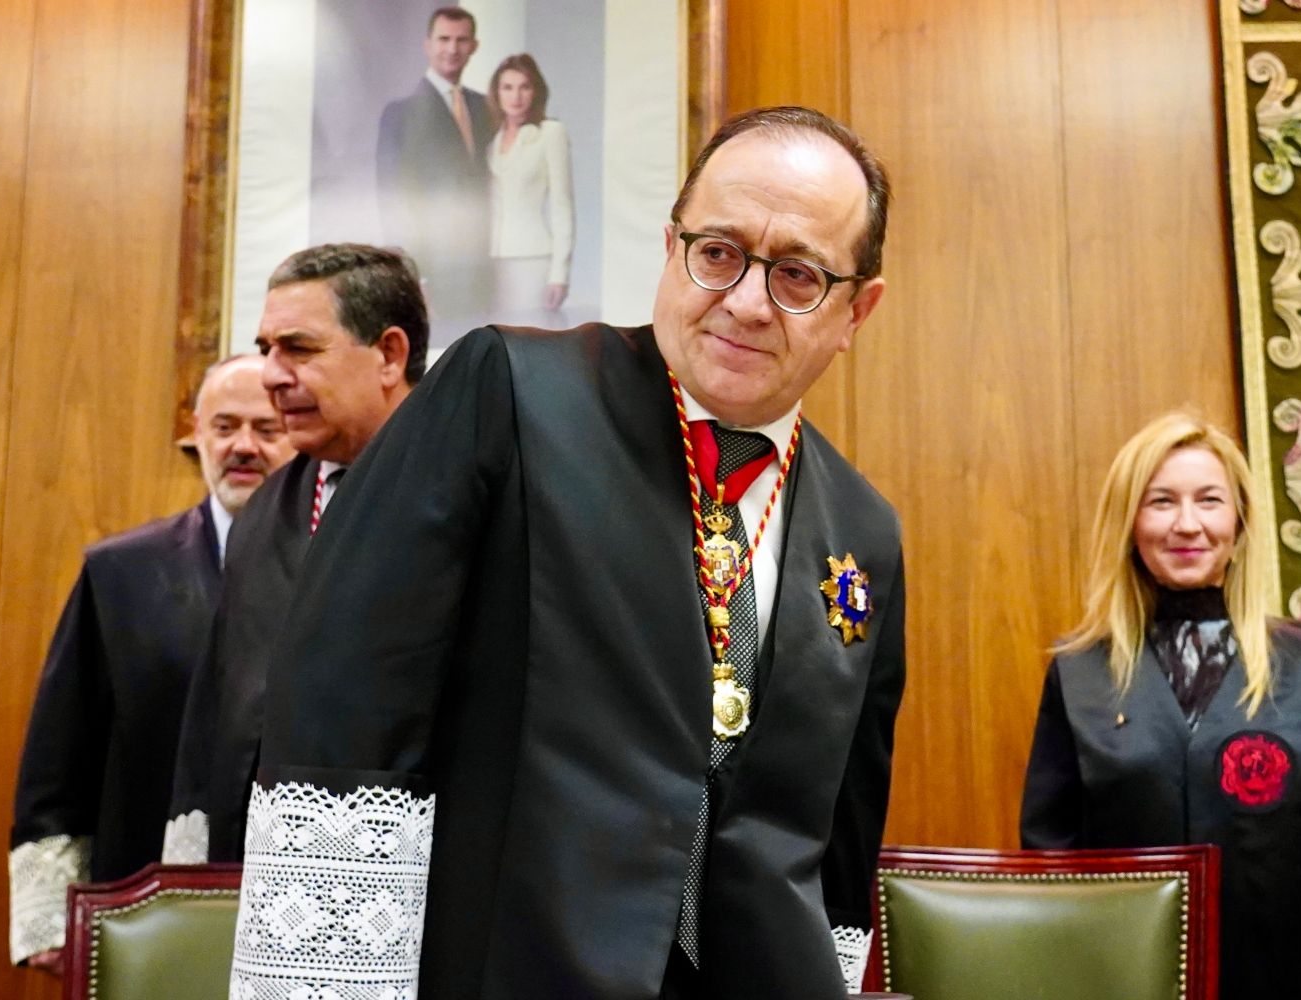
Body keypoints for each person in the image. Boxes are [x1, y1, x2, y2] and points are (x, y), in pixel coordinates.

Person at [230, 106, 905, 1000]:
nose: (745, 300)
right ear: (672, 247)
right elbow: (347, 697)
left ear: (858, 309)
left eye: (796, 275)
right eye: (718, 253)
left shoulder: (864, 529)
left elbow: (839, 828)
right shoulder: (508, 391)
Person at [1020, 411, 1301, 999]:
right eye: (1161, 502)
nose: (1186, 524)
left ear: (1239, 522)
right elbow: (1050, 864)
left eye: (1209, 501)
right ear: (1129, 523)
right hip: (1120, 979)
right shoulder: (1079, 671)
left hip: (1284, 980)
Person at [8, 354, 294, 971]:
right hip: (141, 900)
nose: (243, 446)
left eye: (266, 430)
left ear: (297, 435)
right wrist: (46, 915)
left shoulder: (330, 568)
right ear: (196, 432)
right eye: (224, 427)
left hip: (287, 905)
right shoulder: (120, 571)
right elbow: (61, 752)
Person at [163, 243, 426, 866]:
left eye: (299, 349)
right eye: (266, 351)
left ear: (389, 355)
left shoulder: (475, 487)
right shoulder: (266, 510)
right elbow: (215, 709)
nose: (273, 375)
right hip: (264, 873)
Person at [377, 6, 495, 341]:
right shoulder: (400, 114)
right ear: (427, 45)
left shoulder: (485, 107)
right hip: (435, 271)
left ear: (474, 46)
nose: (452, 49)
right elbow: (395, 201)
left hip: (483, 267)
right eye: (444, 39)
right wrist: (419, 278)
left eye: (461, 40)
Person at [486, 53, 573, 319]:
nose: (516, 96)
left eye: (524, 87)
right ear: (497, 93)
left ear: (536, 92)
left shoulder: (550, 133)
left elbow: (562, 206)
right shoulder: (490, 140)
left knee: (526, 333)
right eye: (508, 88)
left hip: (532, 258)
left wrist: (559, 274)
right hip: (490, 259)